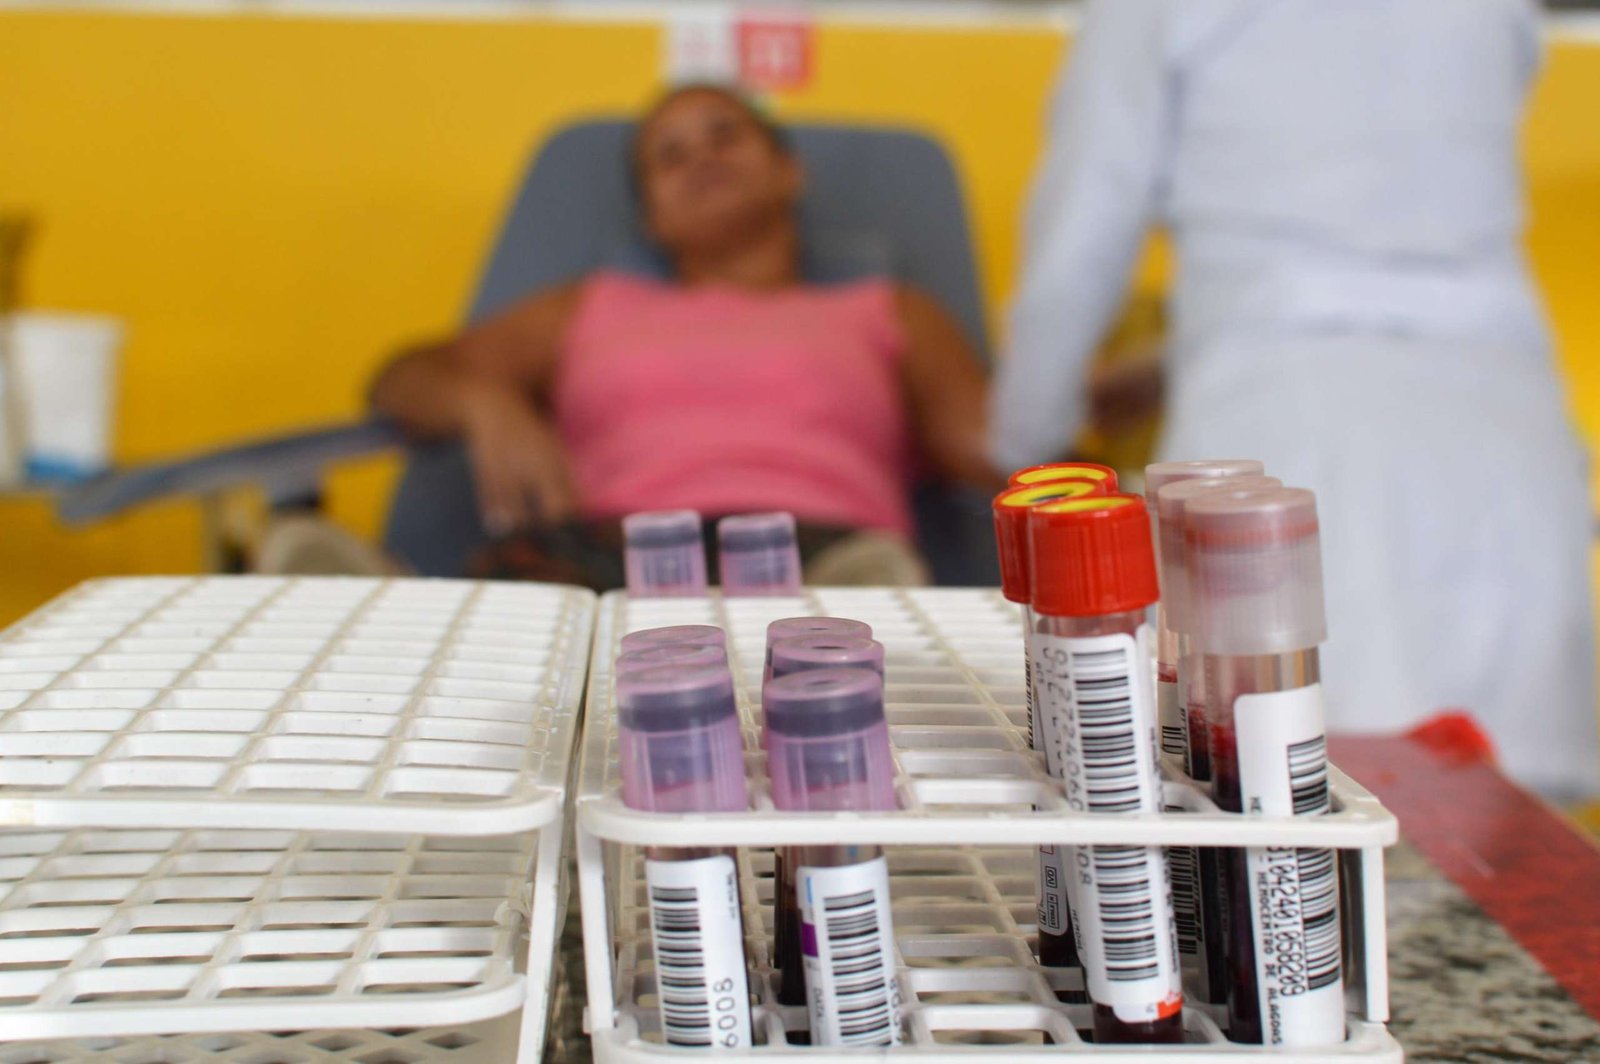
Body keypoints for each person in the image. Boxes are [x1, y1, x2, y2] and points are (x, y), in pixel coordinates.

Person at [991, 0, 1597, 798]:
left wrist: (1023, 443)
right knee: (1512, 828)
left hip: (1291, 425)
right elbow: (1395, 219)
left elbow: (1082, 234)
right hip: (1500, 433)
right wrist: (1178, 358)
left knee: (1296, 798)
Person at [371, 85, 994, 588]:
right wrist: (484, 403)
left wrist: (1053, 417)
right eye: (670, 156)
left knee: (854, 602)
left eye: (726, 135)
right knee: (521, 611)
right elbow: (404, 379)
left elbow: (997, 451)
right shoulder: (590, 303)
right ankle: (369, 609)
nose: (701, 158)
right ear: (652, 217)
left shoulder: (891, 309)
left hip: (825, 554)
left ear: (789, 172)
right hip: (604, 559)